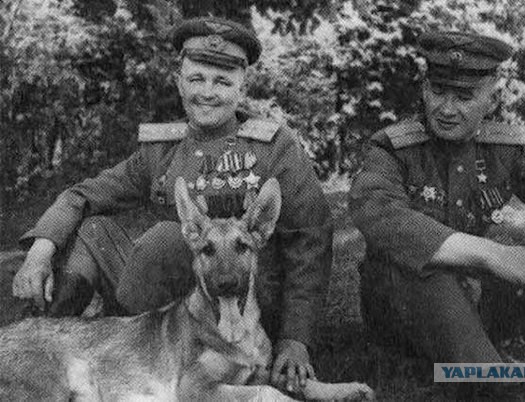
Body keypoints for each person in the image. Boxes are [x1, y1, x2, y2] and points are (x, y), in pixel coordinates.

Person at [12, 16, 332, 392]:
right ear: (179, 81)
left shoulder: (273, 147)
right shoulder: (161, 150)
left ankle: (143, 369)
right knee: (90, 230)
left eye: (223, 81)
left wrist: (296, 338)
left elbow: (311, 239)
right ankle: (47, 335)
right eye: (197, 79)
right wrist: (40, 251)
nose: (207, 92)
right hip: (173, 308)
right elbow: (83, 195)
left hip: (244, 299)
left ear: (241, 87)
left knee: (166, 237)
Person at [349, 31, 525, 396]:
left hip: (473, 303)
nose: (446, 108)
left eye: (464, 96)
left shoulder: (503, 150)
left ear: (491, 98)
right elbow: (378, 213)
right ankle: (499, 384)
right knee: (424, 262)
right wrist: (499, 255)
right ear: (423, 88)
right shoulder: (392, 149)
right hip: (402, 310)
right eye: (438, 91)